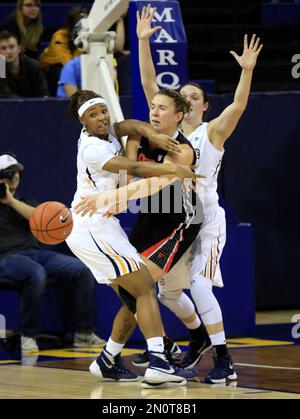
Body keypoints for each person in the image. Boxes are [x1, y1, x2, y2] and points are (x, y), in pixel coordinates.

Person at [135, 4, 263, 384]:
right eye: (183, 97)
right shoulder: (167, 133)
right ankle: (198, 338)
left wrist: (247, 71)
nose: (188, 100)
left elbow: (239, 105)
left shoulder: (212, 132)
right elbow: (147, 84)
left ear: (204, 105)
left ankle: (225, 361)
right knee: (168, 294)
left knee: (202, 286)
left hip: (205, 217)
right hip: (177, 216)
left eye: (195, 97)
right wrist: (144, 42)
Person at [65, 89, 199, 388]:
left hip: (104, 226)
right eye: (93, 115)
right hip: (92, 225)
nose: (101, 118)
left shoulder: (106, 131)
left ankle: (108, 359)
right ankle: (159, 362)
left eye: (103, 111)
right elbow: (136, 167)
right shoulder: (92, 149)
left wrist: (150, 132)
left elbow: (132, 125)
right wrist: (174, 168)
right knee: (144, 289)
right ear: (82, 121)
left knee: (133, 294)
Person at [0, 152, 106, 353]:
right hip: (6, 258)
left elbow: (38, 217)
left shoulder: (25, 201)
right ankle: (28, 335)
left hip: (34, 253)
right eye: (8, 173)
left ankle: (84, 333)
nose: (14, 177)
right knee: (36, 272)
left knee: (81, 270)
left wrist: (11, 201)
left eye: (16, 173)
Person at [39, 6, 87, 96]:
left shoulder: (89, 36)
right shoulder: (59, 37)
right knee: (63, 72)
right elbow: (68, 64)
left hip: (71, 66)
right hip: (51, 68)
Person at [0, 30, 49, 98]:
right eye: (3, 48)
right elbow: (5, 94)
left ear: (19, 48)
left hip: (34, 106)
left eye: (11, 47)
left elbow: (43, 92)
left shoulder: (33, 65)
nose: (8, 51)